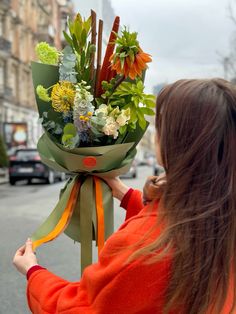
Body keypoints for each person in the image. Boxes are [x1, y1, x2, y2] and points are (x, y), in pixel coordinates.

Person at [13, 78, 236, 314]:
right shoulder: (220, 214)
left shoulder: (141, 248)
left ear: (175, 142)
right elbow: (182, 221)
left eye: (160, 127)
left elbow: (79, 308)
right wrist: (124, 193)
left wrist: (33, 272)